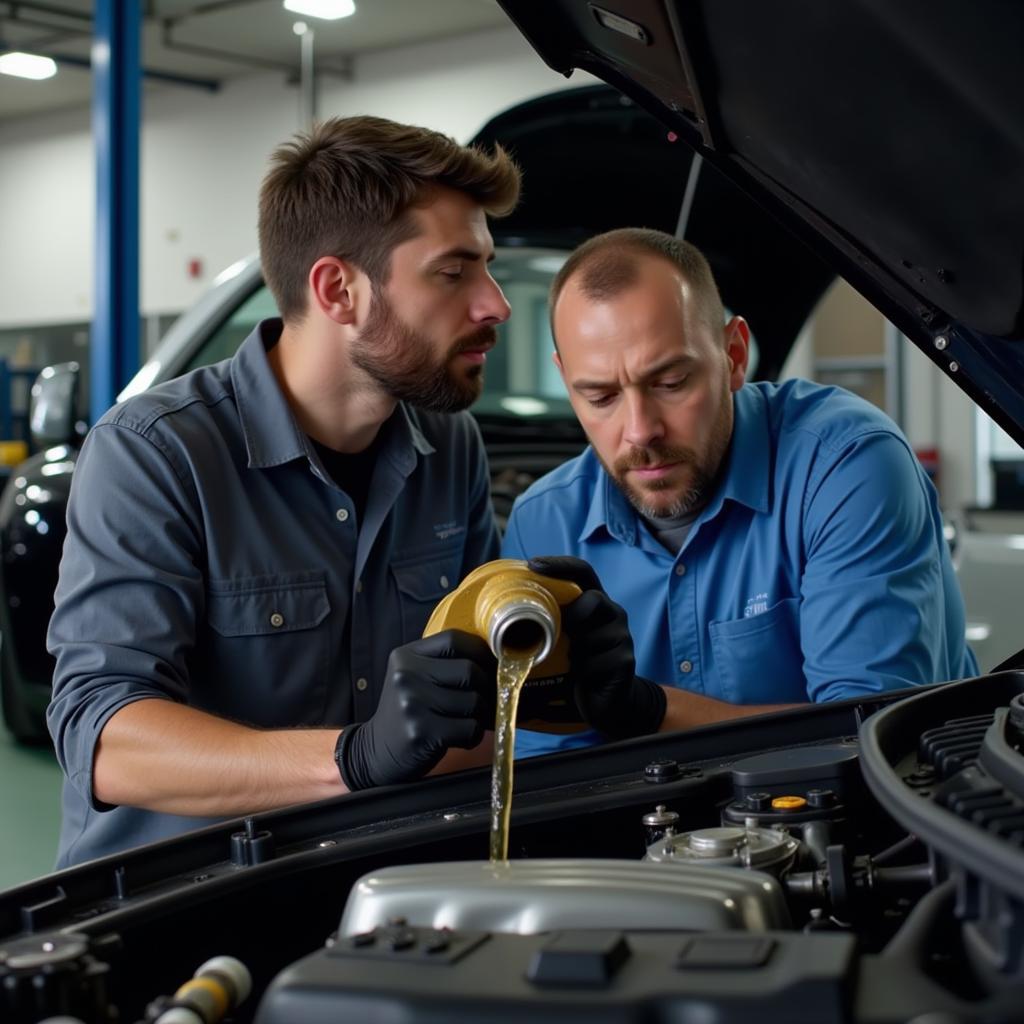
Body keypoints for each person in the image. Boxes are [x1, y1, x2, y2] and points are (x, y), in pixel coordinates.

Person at [47, 115, 522, 866]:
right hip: (184, 897)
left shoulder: (447, 445)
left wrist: (551, 659)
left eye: (488, 267)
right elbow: (106, 739)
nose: (493, 303)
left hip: (375, 884)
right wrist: (354, 758)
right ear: (339, 290)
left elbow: (470, 706)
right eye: (453, 271)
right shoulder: (157, 454)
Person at [502, 227, 979, 757]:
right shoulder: (541, 525)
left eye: (670, 383)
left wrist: (652, 711)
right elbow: (546, 770)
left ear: (733, 355)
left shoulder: (848, 465)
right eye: (601, 396)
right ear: (566, 382)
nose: (639, 431)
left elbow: (870, 736)